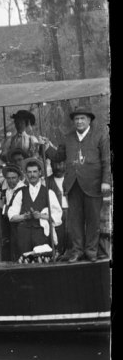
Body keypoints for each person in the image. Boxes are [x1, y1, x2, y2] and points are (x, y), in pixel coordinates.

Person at [58, 107, 111, 263]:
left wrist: (106, 181)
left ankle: (91, 251)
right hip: (73, 185)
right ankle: (77, 251)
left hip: (94, 185)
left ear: (89, 120)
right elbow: (58, 156)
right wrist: (46, 146)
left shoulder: (100, 136)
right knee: (75, 221)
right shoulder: (68, 138)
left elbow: (107, 161)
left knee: (93, 220)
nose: (79, 121)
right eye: (76, 119)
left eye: (82, 118)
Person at [8, 158, 62, 259]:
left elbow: (58, 216)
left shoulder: (48, 193)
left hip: (41, 234)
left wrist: (41, 216)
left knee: (41, 262)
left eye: (35, 172)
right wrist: (24, 216)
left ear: (40, 173)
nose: (32, 175)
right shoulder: (20, 192)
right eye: (29, 172)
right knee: (24, 263)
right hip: (24, 235)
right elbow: (11, 216)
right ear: (26, 174)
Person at [0, 163, 25, 260]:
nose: (11, 181)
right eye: (8, 178)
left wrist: (3, 206)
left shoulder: (23, 190)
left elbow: (19, 211)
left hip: (20, 227)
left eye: (13, 178)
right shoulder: (7, 190)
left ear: (19, 177)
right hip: (10, 227)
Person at [46, 157, 68, 256]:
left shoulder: (71, 178)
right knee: (58, 242)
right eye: (55, 163)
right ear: (51, 164)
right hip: (55, 215)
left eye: (61, 163)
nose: (58, 167)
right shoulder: (46, 182)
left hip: (71, 213)